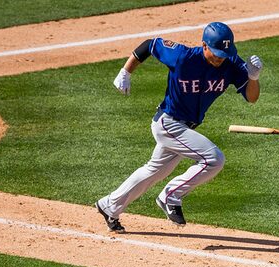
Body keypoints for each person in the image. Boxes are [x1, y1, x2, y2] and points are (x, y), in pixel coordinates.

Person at [96, 22, 263, 232]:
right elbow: (151, 44)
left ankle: (109, 206)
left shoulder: (231, 63)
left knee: (153, 171)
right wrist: (126, 71)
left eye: (225, 53)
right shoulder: (183, 56)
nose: (221, 57)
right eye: (216, 52)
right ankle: (170, 195)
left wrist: (253, 77)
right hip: (168, 123)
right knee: (214, 159)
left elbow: (252, 97)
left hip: (185, 128)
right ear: (204, 45)